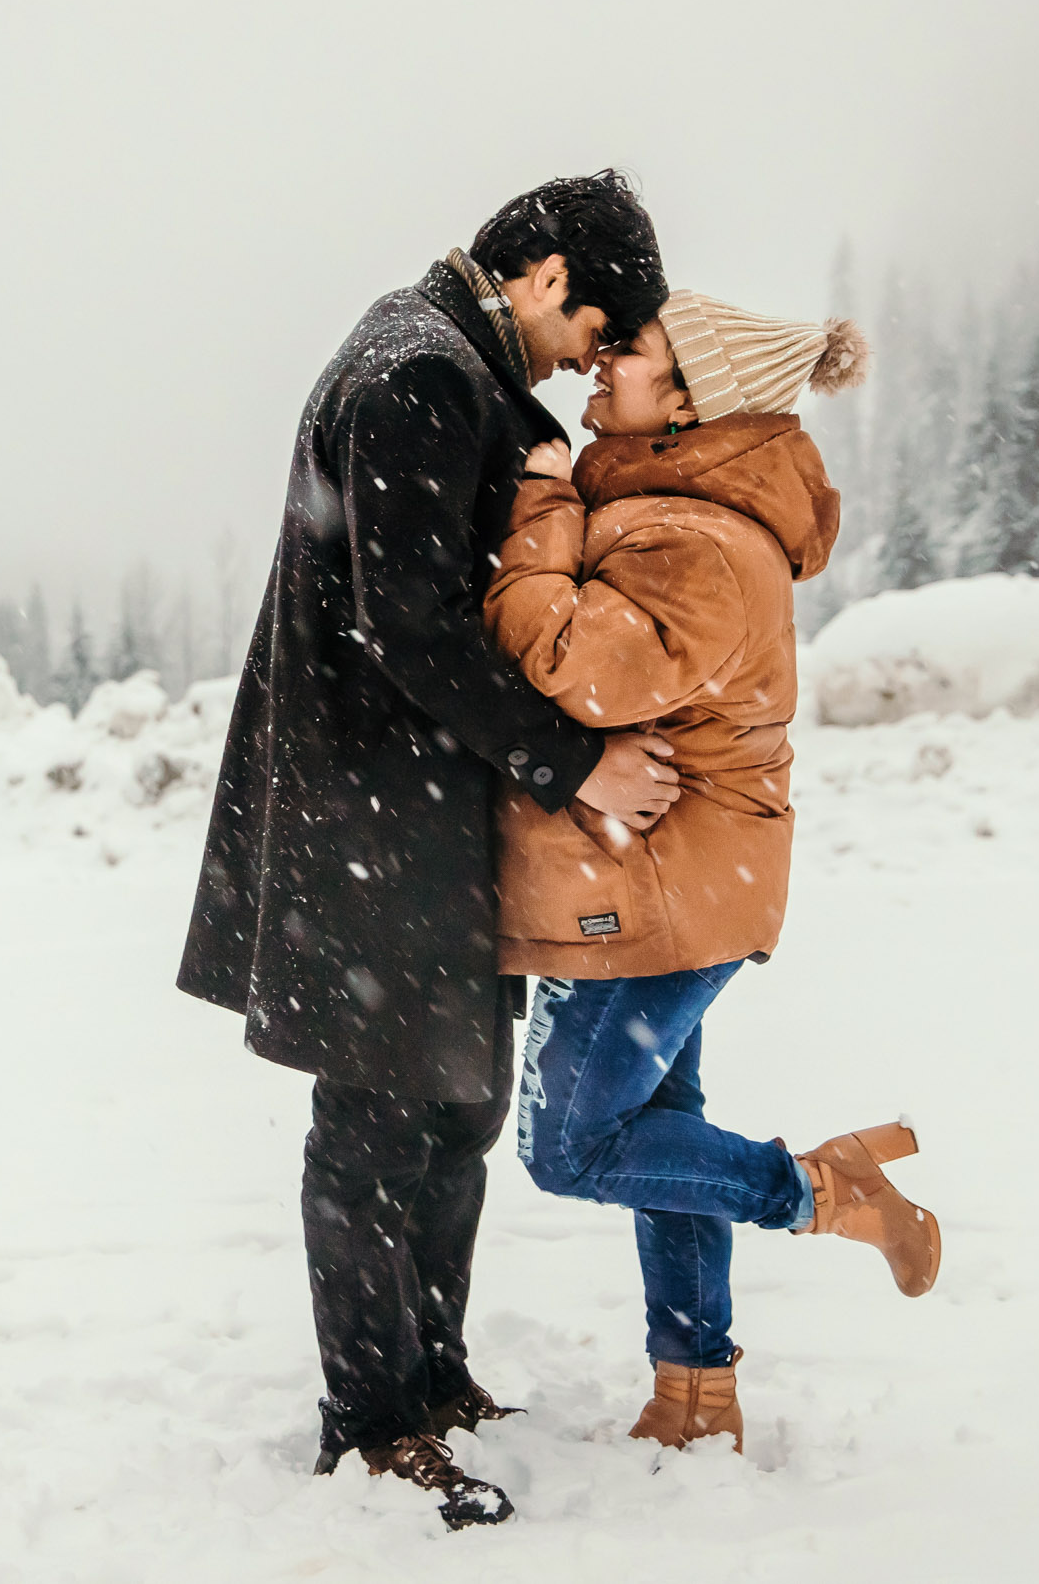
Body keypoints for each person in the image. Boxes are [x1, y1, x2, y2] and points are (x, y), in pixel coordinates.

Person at [178, 172, 683, 1530]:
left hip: (398, 810)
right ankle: (372, 1419)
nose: (591, 358)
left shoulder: (425, 353)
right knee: (376, 1118)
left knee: (449, 1103)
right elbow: (410, 626)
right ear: (543, 274)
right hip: (373, 812)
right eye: (595, 324)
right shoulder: (422, 375)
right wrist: (575, 761)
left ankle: (435, 1372)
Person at [484, 291, 940, 1456]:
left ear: (687, 396)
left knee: (569, 1146)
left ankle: (822, 1189)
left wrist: (537, 505)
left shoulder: (689, 536)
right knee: (660, 1123)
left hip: (656, 892)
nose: (596, 364)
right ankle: (695, 1390)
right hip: (685, 881)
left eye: (626, 353)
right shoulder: (669, 510)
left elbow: (562, 662)